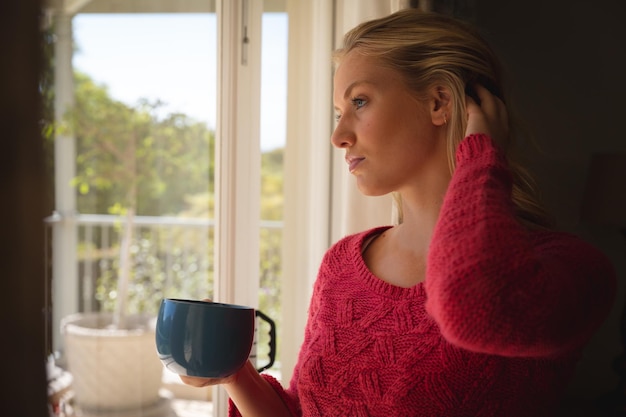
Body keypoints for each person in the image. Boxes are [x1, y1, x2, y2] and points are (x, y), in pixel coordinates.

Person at [180, 8, 617, 416]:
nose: (338, 136)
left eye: (360, 102)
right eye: (337, 112)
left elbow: (477, 305)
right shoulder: (342, 265)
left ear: (440, 103)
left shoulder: (570, 268)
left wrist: (480, 156)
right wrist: (234, 373)